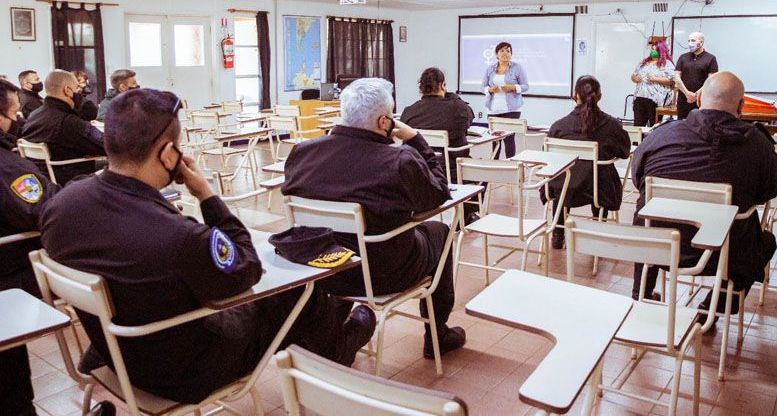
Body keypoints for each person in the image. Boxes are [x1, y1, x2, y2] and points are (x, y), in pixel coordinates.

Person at [39, 88, 375, 404]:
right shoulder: (178, 237)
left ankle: (328, 322)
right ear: (168, 154)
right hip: (186, 373)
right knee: (298, 290)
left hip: (117, 356)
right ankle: (341, 346)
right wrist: (208, 196)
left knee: (298, 305)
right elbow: (247, 269)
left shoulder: (62, 205)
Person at [282, 78, 466, 359]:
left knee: (344, 238)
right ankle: (436, 335)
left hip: (322, 270)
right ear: (384, 122)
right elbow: (438, 192)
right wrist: (415, 138)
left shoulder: (302, 153)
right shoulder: (400, 161)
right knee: (440, 231)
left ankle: (334, 326)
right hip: (383, 273)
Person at [631, 72, 777, 315]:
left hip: (659, 245)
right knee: (765, 242)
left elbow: (638, 179)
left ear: (699, 99)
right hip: (725, 253)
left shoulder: (661, 135)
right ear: (741, 106)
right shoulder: (758, 145)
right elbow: (770, 190)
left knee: (647, 214)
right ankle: (712, 309)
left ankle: (641, 295)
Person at [0, 79, 62, 416]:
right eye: (15, 114)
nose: (19, 120)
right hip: (13, 270)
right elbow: (43, 211)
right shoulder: (6, 166)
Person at [541, 75, 630, 249]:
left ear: (575, 95)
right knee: (602, 173)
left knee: (563, 176)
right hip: (597, 190)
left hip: (564, 189)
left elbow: (547, 156)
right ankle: (596, 233)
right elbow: (624, 152)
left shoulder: (558, 126)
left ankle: (558, 234)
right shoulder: (612, 125)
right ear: (600, 97)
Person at [400, 67, 479, 222]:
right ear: (443, 85)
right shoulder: (457, 108)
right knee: (483, 170)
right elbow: (469, 117)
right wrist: (454, 98)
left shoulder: (409, 111)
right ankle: (467, 214)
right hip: (452, 169)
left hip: (419, 169)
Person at [20, 70, 106, 184]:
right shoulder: (67, 121)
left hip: (44, 179)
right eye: (77, 89)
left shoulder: (34, 116)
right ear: (68, 90)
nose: (79, 93)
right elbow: (107, 145)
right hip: (74, 180)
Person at [481, 42, 529, 158]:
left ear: (511, 54)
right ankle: (494, 164)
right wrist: (489, 89)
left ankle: (510, 164)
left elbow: (525, 86)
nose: (505, 53)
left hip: (512, 109)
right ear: (496, 54)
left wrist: (513, 87)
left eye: (508, 51)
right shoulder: (490, 69)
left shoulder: (517, 68)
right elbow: (482, 87)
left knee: (509, 139)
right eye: (502, 51)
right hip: (493, 109)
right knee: (495, 140)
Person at [674, 32, 718, 120]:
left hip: (701, 101)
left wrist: (696, 95)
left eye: (693, 40)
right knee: (682, 125)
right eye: (689, 40)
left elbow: (711, 80)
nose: (690, 43)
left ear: (701, 42)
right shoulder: (683, 57)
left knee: (700, 125)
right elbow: (677, 77)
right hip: (683, 100)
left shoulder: (711, 58)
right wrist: (687, 94)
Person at [631, 40, 674, 127]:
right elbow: (633, 76)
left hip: (655, 100)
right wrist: (635, 78)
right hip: (639, 97)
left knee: (654, 126)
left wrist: (655, 79)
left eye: (655, 49)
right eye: (652, 49)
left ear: (661, 51)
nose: (652, 51)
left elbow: (673, 80)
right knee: (638, 126)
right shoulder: (643, 62)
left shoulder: (667, 64)